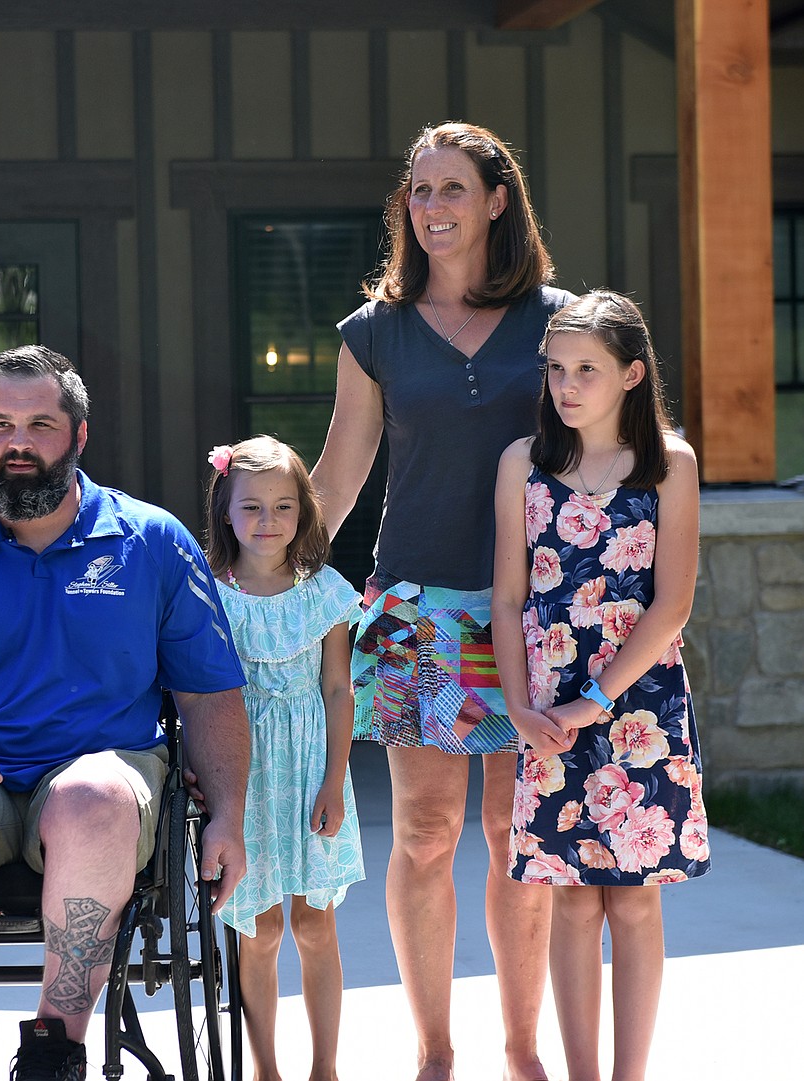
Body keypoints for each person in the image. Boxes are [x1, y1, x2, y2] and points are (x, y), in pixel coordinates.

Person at [0, 345, 250, 1081]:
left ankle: (54, 1051)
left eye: (40, 423)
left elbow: (209, 693)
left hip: (106, 775)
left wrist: (227, 815)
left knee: (90, 797)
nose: (18, 441)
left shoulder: (153, 544)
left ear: (79, 435)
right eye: (0, 423)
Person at [310, 120, 577, 1081]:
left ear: (496, 200)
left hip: (535, 612)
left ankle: (521, 1051)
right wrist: (265, 575)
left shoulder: (557, 320)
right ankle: (432, 1053)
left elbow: (604, 449)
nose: (432, 209)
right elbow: (340, 477)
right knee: (425, 833)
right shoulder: (374, 332)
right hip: (421, 612)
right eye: (418, 192)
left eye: (452, 189)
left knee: (517, 834)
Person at [491, 290, 710, 1081]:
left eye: (587, 368)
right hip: (548, 711)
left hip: (638, 706)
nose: (567, 385)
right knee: (573, 897)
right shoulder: (524, 463)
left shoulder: (669, 464)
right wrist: (521, 706)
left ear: (631, 374)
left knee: (636, 897)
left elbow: (672, 602)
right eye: (556, 369)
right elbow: (510, 598)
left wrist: (599, 698)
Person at [202, 436, 365, 1081]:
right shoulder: (211, 592)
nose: (268, 521)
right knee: (260, 930)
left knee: (315, 927)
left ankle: (325, 1068)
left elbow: (335, 688)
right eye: (252, 507)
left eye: (283, 506)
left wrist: (334, 780)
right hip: (244, 773)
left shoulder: (323, 593)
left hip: (311, 775)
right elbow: (201, 694)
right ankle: (265, 1068)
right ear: (226, 513)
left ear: (305, 513)